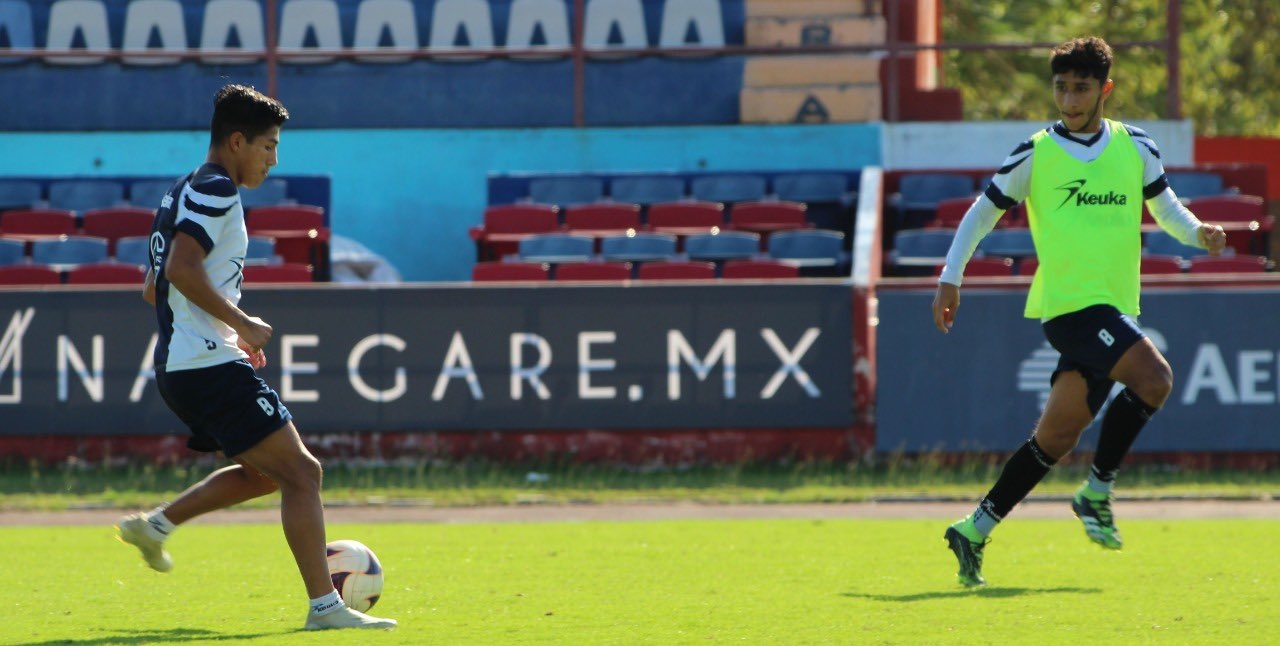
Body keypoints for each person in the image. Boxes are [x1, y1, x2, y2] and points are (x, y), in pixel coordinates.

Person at [932, 37, 1227, 587]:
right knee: (1155, 378)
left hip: (1112, 306)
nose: (1069, 98)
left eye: (1082, 87)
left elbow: (1167, 210)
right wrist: (951, 279)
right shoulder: (1035, 152)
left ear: (1104, 90)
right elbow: (979, 216)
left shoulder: (1136, 146)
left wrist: (1198, 232)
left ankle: (973, 528)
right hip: (1068, 305)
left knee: (1057, 435)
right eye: (1062, 87)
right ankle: (1096, 491)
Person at [116, 84, 396, 630]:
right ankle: (325, 607)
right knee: (304, 474)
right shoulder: (216, 188)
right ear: (237, 140)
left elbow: (153, 285)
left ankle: (158, 526)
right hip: (204, 364)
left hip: (187, 364)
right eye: (268, 146)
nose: (274, 158)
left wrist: (224, 329)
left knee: (268, 476)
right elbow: (177, 270)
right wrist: (241, 324)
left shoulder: (180, 191)